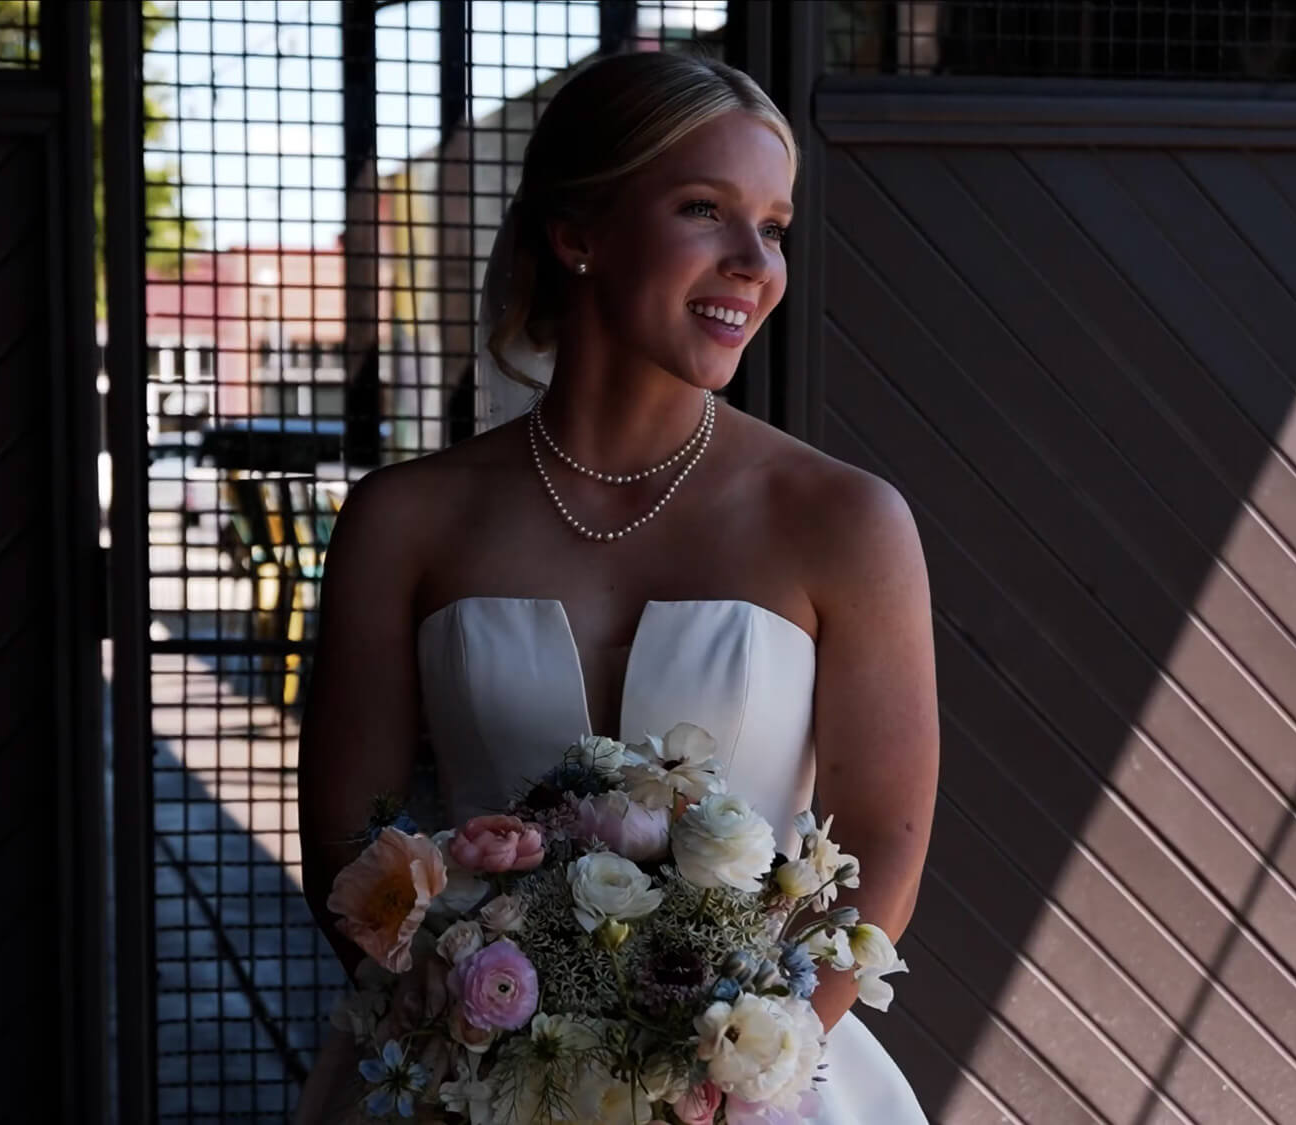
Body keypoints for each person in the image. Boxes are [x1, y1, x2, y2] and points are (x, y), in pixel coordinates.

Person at [293, 49, 939, 1124]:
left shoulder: (843, 521)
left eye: (772, 228)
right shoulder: (403, 520)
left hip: (760, 1093)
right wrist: (473, 1039)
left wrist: (738, 1074)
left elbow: (882, 838)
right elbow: (350, 853)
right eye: (704, 210)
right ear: (576, 232)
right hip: (464, 1083)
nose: (753, 262)